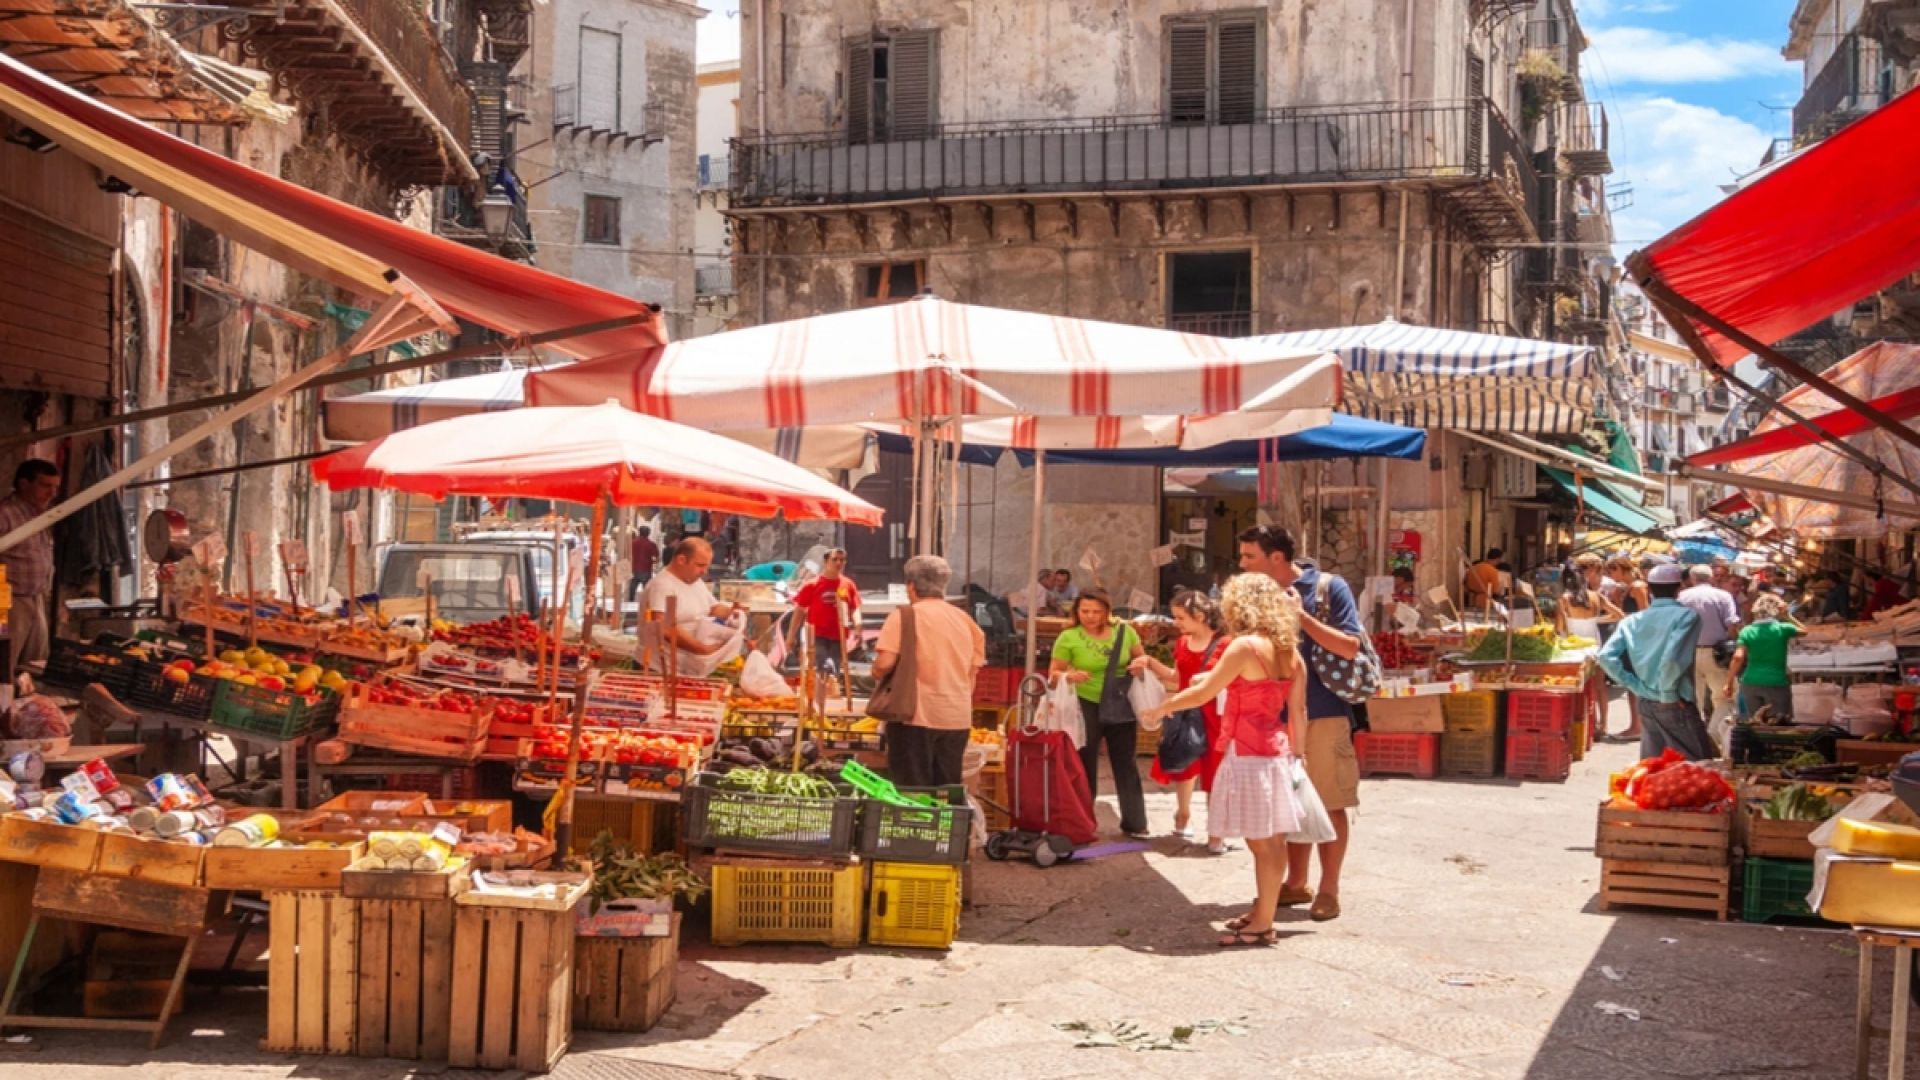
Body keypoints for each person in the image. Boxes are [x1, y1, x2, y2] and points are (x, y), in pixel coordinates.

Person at [1139, 574, 1309, 947]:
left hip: (1248, 753)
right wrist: (1299, 757)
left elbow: (1202, 691)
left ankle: (1263, 923)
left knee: (1261, 842)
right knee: (1271, 841)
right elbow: (1298, 711)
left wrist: (1162, 708)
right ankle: (1263, 911)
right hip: (1277, 752)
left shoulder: (1245, 646)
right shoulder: (1288, 650)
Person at [1237, 524, 1362, 923]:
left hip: (1323, 714)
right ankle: (1296, 882)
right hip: (1269, 719)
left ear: (1276, 558)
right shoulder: (1252, 596)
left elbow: (1349, 645)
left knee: (1330, 802)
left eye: (1248, 556)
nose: (1242, 565)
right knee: (1285, 806)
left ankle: (1329, 888)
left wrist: (1300, 617)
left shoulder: (1328, 588)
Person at [1130, 590, 1232, 853]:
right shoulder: (1182, 643)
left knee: (1216, 771)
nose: (1176, 623)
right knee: (1183, 765)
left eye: (1180, 617)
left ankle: (1216, 830)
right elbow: (1177, 678)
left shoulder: (1227, 644)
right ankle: (1183, 814)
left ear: (1199, 616)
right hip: (1187, 709)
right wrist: (1150, 662)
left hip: (1216, 714)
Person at [873, 555, 985, 788]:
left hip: (914, 716)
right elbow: (971, 676)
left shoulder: (904, 616)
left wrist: (876, 672)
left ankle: (917, 825)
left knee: (912, 790)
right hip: (956, 717)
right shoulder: (965, 620)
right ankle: (947, 825)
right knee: (946, 789)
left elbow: (884, 663)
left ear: (911, 586)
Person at [1048, 587, 1149, 838]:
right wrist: (1069, 676)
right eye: (1085, 611)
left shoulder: (1125, 632)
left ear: (1107, 612)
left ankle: (1135, 822)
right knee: (1085, 762)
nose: (1090, 616)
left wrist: (1139, 666)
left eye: (1096, 611)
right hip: (1085, 703)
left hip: (1120, 702)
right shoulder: (1068, 637)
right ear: (1076, 611)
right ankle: (1083, 822)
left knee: (1125, 762)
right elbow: (1053, 675)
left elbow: (1142, 659)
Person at [1594, 563, 1715, 760]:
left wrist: (1636, 686)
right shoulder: (1686, 616)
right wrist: (1667, 694)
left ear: (1650, 589)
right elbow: (1673, 660)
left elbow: (1606, 657)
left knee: (1653, 768)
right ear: (1679, 588)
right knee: (1696, 767)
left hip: (1647, 700)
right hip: (1675, 701)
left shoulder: (1632, 620)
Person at [639, 538, 742, 667]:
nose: (704, 571)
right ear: (681, 560)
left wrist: (732, 611)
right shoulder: (664, 586)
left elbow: (712, 608)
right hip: (664, 668)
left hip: (689, 665)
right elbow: (666, 628)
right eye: (700, 565)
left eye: (707, 566)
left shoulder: (695, 581)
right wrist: (702, 649)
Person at [0, 459, 56, 671]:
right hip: (9, 600)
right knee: (6, 663)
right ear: (24, 484)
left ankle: (29, 703)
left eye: (55, 487)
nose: (51, 493)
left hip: (36, 598)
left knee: (35, 664)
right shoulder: (5, 513)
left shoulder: (40, 515)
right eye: (45, 486)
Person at [787, 549, 861, 709]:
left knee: (831, 670)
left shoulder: (848, 585)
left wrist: (858, 626)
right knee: (823, 667)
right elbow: (799, 611)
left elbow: (855, 608)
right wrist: (791, 636)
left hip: (839, 636)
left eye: (842, 560)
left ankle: (822, 707)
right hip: (817, 635)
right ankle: (819, 708)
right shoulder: (812, 585)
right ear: (826, 562)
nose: (839, 563)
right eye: (835, 559)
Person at [1724, 593, 1806, 722]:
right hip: (1776, 682)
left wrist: (1728, 683)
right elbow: (1804, 630)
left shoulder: (1747, 631)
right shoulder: (1783, 628)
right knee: (1778, 724)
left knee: (1754, 724)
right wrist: (1788, 616)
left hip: (1750, 682)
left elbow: (1738, 657)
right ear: (1777, 610)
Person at [1678, 564, 1741, 727]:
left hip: (1688, 653)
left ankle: (1696, 737)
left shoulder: (1681, 597)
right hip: (1717, 653)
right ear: (1711, 577)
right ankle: (1714, 733)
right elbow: (1732, 625)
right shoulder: (1723, 596)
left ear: (1692, 578)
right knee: (1724, 697)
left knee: (1693, 699)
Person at [1554, 561, 1623, 640]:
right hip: (1594, 643)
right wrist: (1596, 620)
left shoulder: (1564, 599)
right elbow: (1620, 615)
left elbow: (1558, 628)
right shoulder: (1597, 595)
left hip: (1571, 645)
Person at [627, 525, 660, 601]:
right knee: (646, 590)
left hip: (634, 569)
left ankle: (631, 602)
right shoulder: (651, 544)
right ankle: (645, 604)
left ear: (639, 532)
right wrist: (652, 562)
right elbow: (656, 558)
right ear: (648, 533)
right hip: (646, 569)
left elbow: (628, 554)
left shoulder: (633, 543)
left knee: (632, 589)